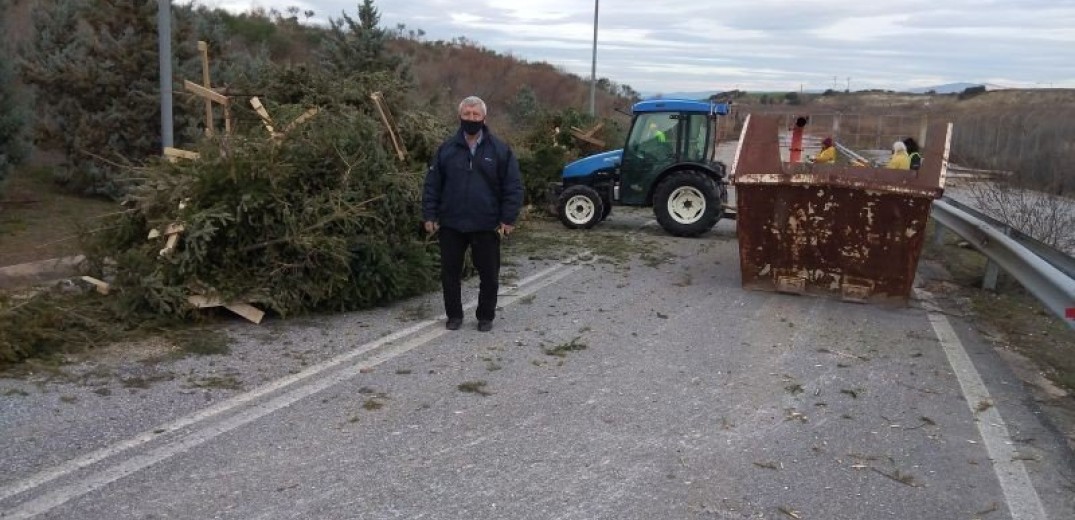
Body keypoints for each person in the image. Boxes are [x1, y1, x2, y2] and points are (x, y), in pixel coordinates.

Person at [423, 96, 524, 332]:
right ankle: (454, 316)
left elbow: (513, 186)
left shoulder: (500, 150)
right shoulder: (446, 149)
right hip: (451, 222)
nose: (471, 119)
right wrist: (430, 214)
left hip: (486, 223)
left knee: (489, 275)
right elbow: (432, 184)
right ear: (460, 117)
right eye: (467, 114)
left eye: (475, 115)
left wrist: (508, 218)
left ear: (484, 118)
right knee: (450, 274)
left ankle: (485, 316)